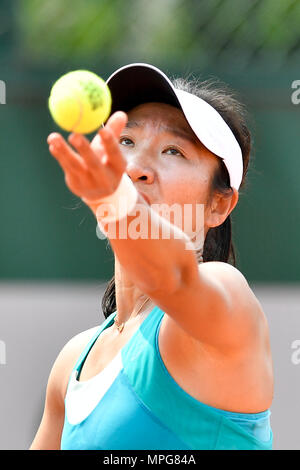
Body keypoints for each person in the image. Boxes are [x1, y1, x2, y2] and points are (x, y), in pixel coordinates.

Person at [30, 63, 273, 450]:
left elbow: (172, 279)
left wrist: (116, 202)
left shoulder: (227, 305)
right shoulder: (72, 363)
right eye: (126, 141)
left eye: (172, 150)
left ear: (220, 204)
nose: (137, 168)